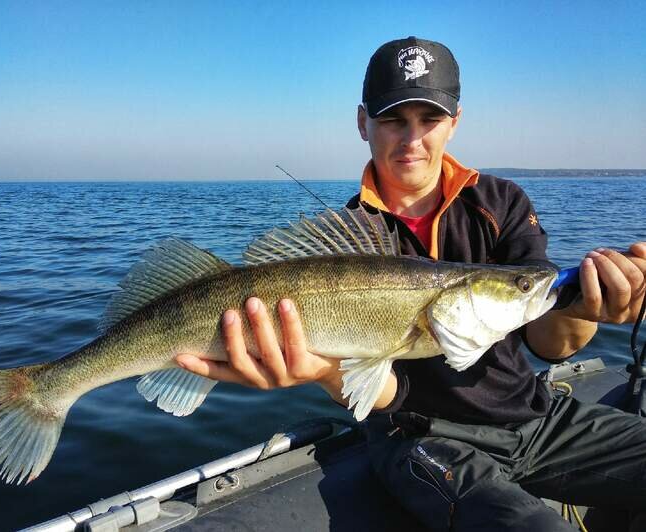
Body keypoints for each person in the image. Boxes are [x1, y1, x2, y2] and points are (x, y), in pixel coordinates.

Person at [176, 37, 646, 531]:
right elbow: (378, 392)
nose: (412, 139)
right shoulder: (345, 243)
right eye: (393, 120)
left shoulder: (500, 201)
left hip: (536, 418)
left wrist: (584, 308)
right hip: (419, 437)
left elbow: (547, 344)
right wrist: (324, 371)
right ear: (363, 122)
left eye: (430, 120)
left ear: (455, 122)